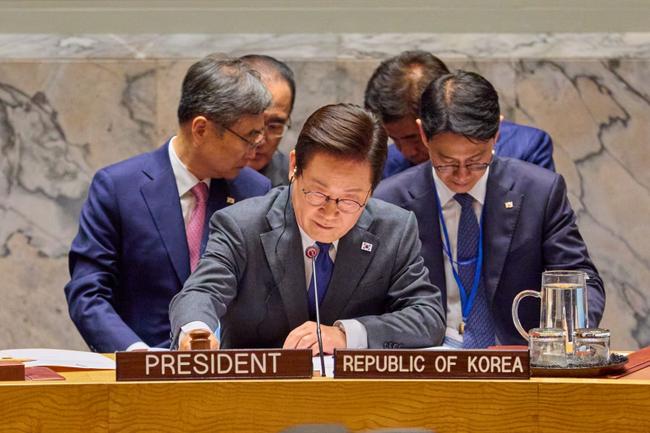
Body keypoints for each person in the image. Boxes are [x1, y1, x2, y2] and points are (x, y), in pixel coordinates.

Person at [169, 103, 446, 352]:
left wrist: (346, 335)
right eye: (317, 193)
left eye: (350, 199)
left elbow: (427, 317)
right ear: (294, 166)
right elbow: (201, 292)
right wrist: (196, 332)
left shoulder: (393, 230)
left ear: (372, 189)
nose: (330, 212)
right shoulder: (242, 226)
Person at [374, 71, 605, 347]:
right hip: (425, 359)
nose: (461, 176)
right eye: (446, 162)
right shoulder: (389, 200)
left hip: (516, 358)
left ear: (497, 133)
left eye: (476, 161)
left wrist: (568, 334)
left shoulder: (539, 192)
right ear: (424, 134)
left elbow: (581, 279)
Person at [65, 55, 273, 352]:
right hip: (142, 365)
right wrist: (138, 355)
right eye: (248, 138)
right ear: (201, 129)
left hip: (227, 369)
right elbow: (89, 293)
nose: (255, 151)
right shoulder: (119, 188)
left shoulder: (254, 191)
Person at [364, 50, 555, 179]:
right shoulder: (386, 167)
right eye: (395, 139)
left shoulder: (525, 150)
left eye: (413, 138)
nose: (407, 151)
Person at [241, 54, 295, 187]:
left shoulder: (295, 184)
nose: (259, 140)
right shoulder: (203, 176)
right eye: (251, 123)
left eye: (274, 126)